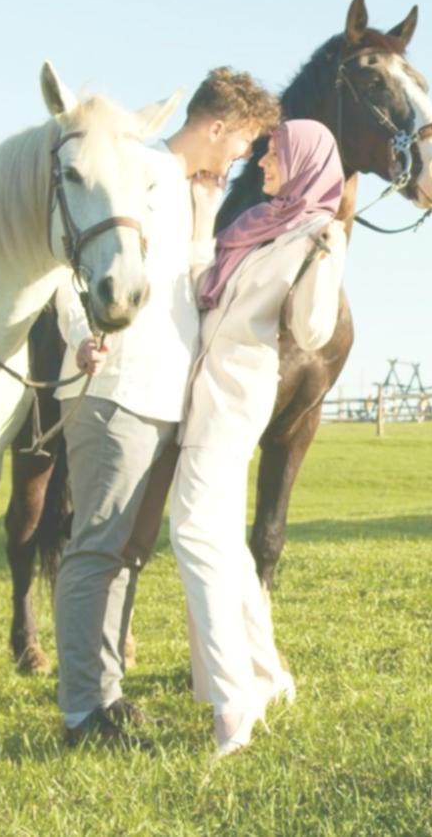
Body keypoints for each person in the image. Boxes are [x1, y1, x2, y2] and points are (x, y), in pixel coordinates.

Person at [51, 68, 281, 747]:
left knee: (130, 551)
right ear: (216, 127)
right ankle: (78, 713)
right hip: (115, 387)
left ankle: (107, 695)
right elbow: (69, 265)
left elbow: (190, 286)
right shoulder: (137, 168)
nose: (241, 157)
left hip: (163, 394)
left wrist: (208, 218)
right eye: (241, 141)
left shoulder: (185, 191)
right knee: (96, 547)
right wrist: (76, 333)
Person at [171, 118, 348, 756]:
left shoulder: (312, 233)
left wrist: (328, 256)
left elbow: (311, 331)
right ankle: (269, 677)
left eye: (274, 153)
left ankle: (232, 700)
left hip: (236, 400)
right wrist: (203, 216)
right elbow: (202, 291)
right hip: (202, 398)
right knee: (220, 541)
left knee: (191, 533)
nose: (265, 161)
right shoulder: (259, 226)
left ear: (301, 160)